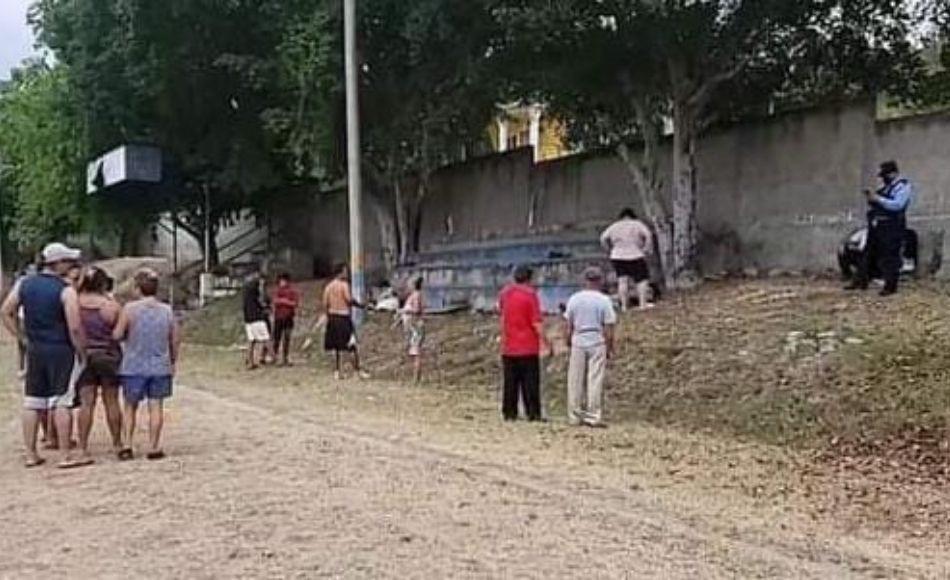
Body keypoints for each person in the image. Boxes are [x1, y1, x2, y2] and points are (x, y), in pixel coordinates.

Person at [0, 242, 88, 468]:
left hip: (35, 349)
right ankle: (65, 455)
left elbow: (6, 311)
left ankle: (31, 454)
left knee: (33, 401)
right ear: (57, 264)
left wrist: (22, 338)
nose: (70, 266)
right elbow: (75, 326)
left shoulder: (24, 284)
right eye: (67, 261)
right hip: (61, 349)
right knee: (62, 400)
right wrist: (81, 351)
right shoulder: (65, 290)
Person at [113, 269, 180, 461]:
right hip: (160, 364)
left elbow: (117, 334)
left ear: (137, 288)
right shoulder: (167, 310)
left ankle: (127, 444)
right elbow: (175, 338)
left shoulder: (130, 309)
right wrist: (173, 360)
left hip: (133, 364)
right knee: (156, 406)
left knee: (129, 406)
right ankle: (154, 445)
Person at [847, 160, 915, 297]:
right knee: (867, 253)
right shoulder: (885, 187)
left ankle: (890, 286)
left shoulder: (903, 186)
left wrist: (878, 200)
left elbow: (898, 205)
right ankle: (860, 281)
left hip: (892, 226)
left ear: (894, 173)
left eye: (886, 175)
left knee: (889, 256)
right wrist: (871, 199)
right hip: (877, 225)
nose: (883, 178)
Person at [76, 267, 124, 461]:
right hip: (108, 355)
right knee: (111, 401)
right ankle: (117, 442)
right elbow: (119, 334)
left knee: (86, 403)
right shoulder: (111, 306)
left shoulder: (75, 304)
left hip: (85, 356)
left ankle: (83, 446)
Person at [564, 267, 617, 428]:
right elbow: (608, 327)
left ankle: (574, 414)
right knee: (595, 378)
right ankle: (593, 415)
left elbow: (568, 324)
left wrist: (568, 340)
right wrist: (610, 346)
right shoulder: (604, 300)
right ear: (599, 281)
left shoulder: (574, 299)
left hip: (579, 337)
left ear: (585, 280)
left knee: (575, 378)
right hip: (596, 337)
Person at [498, 266, 548, 422]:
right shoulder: (530, 295)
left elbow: (500, 311)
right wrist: (546, 341)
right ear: (529, 278)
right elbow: (536, 322)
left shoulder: (505, 293)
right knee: (530, 382)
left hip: (509, 344)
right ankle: (533, 413)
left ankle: (509, 412)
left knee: (510, 382)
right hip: (527, 345)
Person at [600, 208, 654, 311]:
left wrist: (609, 249)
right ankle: (643, 304)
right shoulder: (637, 224)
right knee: (641, 280)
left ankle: (624, 306)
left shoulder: (614, 225)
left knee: (622, 281)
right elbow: (648, 235)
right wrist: (646, 248)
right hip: (635, 254)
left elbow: (603, 238)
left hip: (617, 255)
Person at [323, 263, 368, 380]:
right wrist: (360, 305)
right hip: (343, 317)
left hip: (332, 317)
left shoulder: (328, 286)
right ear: (341, 272)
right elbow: (348, 299)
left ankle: (337, 371)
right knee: (351, 344)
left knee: (336, 347)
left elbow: (325, 304)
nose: (347, 273)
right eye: (345, 271)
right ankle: (356, 371)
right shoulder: (343, 285)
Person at [242, 272, 271, 369]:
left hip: (248, 318)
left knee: (251, 340)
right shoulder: (255, 290)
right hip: (257, 317)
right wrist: (265, 308)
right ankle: (274, 357)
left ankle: (250, 361)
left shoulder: (246, 290)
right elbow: (261, 301)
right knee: (266, 338)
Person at [271, 273, 300, 366]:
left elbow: (295, 303)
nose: (282, 283)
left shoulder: (292, 291)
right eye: (280, 281)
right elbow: (275, 301)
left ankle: (285, 358)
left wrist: (283, 301)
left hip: (288, 317)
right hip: (278, 317)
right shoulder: (278, 291)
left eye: (283, 281)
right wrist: (285, 302)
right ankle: (274, 357)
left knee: (287, 338)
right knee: (276, 338)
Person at [402, 277, 426, 383]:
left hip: (416, 327)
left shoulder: (416, 295)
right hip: (413, 327)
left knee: (416, 352)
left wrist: (406, 311)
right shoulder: (415, 295)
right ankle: (415, 377)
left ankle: (416, 378)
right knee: (414, 351)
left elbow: (416, 310)